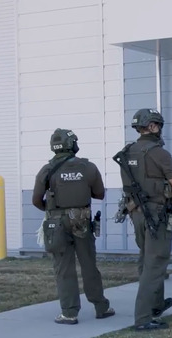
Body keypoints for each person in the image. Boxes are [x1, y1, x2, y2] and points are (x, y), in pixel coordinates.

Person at [33, 128, 114, 325]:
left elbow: (36, 200)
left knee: (63, 268)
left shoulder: (46, 170)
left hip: (56, 224)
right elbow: (100, 193)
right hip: (82, 221)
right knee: (89, 265)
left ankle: (69, 313)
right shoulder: (88, 167)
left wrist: (53, 211)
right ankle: (101, 307)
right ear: (71, 144)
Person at [116, 108, 172, 331]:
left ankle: (156, 304)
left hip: (136, 213)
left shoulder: (127, 152)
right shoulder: (159, 153)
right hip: (156, 214)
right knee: (155, 264)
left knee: (146, 259)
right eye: (159, 125)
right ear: (153, 126)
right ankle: (143, 317)